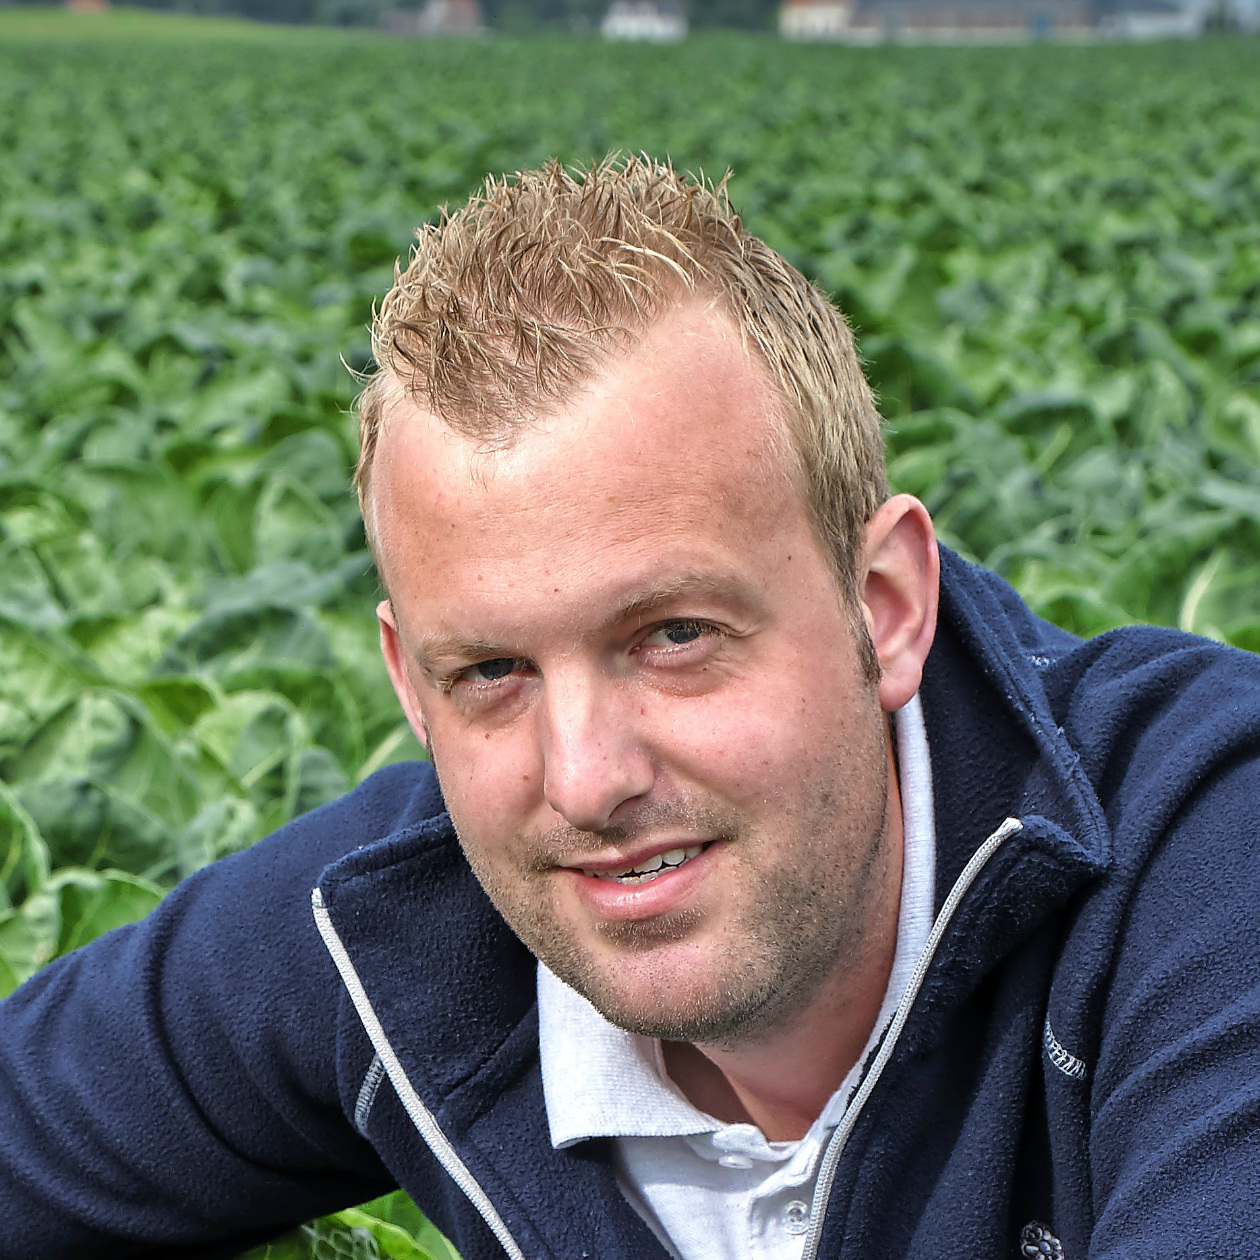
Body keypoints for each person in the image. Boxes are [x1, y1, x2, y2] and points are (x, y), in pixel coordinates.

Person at [3, 155, 1259, 1260]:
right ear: (411, 689)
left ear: (883, 608)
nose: (587, 778)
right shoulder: (393, 931)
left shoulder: (1204, 856)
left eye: (673, 637)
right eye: (490, 673)